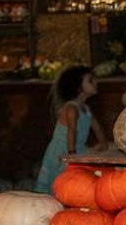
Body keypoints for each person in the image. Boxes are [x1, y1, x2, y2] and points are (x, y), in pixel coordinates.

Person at [33, 65, 106, 194]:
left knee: (76, 180)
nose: (95, 83)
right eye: (90, 80)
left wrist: (104, 145)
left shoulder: (86, 110)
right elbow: (71, 131)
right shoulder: (71, 108)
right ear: (78, 88)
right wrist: (71, 155)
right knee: (59, 180)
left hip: (78, 149)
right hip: (64, 150)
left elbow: (97, 128)